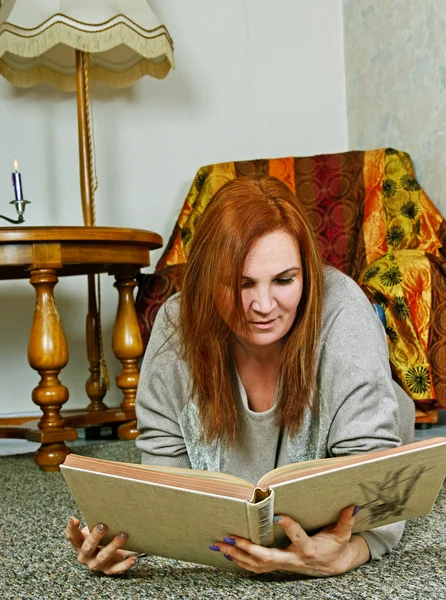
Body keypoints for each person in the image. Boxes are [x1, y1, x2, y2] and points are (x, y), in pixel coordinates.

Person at [66, 176, 415, 576]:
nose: (263, 305)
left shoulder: (344, 313)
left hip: (373, 421)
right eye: (240, 283)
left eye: (285, 280)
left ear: (307, 275)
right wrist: (129, 540)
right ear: (208, 280)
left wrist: (349, 552)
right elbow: (164, 476)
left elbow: (380, 488)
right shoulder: (176, 328)